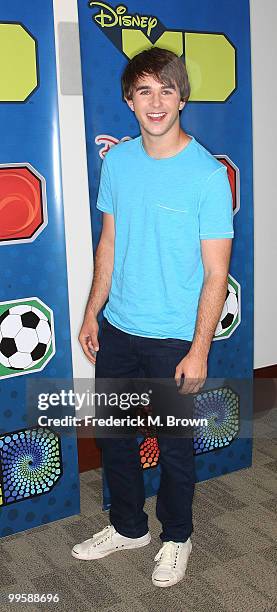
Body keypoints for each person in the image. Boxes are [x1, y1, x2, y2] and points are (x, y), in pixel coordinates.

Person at [71, 47, 234, 587]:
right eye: (145, 91)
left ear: (182, 97)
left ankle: (177, 536)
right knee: (115, 437)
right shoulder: (117, 162)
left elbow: (215, 274)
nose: (156, 102)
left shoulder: (207, 175)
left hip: (172, 342)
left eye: (167, 90)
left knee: (175, 449)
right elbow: (109, 244)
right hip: (118, 329)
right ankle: (127, 526)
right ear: (129, 100)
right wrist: (94, 312)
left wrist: (199, 348)